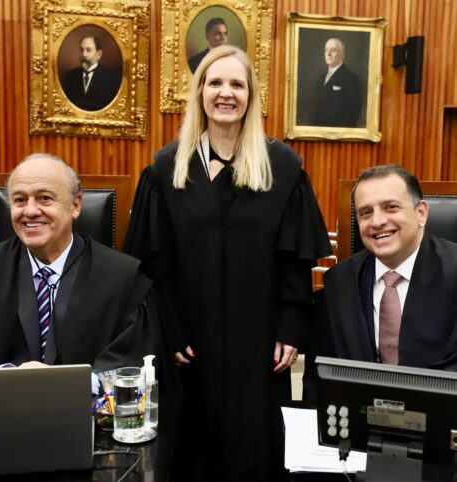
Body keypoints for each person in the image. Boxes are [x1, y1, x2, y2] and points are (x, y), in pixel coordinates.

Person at [123, 45, 331, 482]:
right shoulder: (165, 171)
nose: (226, 93)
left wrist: (291, 327)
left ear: (251, 96)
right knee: (190, 448)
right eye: (215, 82)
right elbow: (155, 265)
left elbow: (294, 261)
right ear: (200, 92)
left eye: (237, 84)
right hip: (189, 343)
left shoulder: (283, 168)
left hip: (259, 342)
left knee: (255, 445)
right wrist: (169, 330)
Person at [0, 153, 158, 379]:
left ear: (76, 205)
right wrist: (8, 378)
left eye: (45, 198)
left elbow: (129, 365)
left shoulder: (124, 278)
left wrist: (64, 382)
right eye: (20, 200)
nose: (30, 211)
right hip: (1, 401)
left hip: (88, 402)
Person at [305, 164, 457, 402]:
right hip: (360, 417)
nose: (377, 221)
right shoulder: (339, 283)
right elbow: (321, 375)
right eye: (365, 212)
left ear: (421, 213)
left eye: (391, 207)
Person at [309, 38, 362, 128]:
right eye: (326, 50)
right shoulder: (321, 78)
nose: (328, 54)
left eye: (333, 50)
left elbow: (352, 113)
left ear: (342, 54)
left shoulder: (351, 78)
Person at [62, 36, 122, 111]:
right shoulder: (70, 76)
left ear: (99, 54)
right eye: (81, 50)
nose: (84, 54)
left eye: (88, 50)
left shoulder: (111, 77)